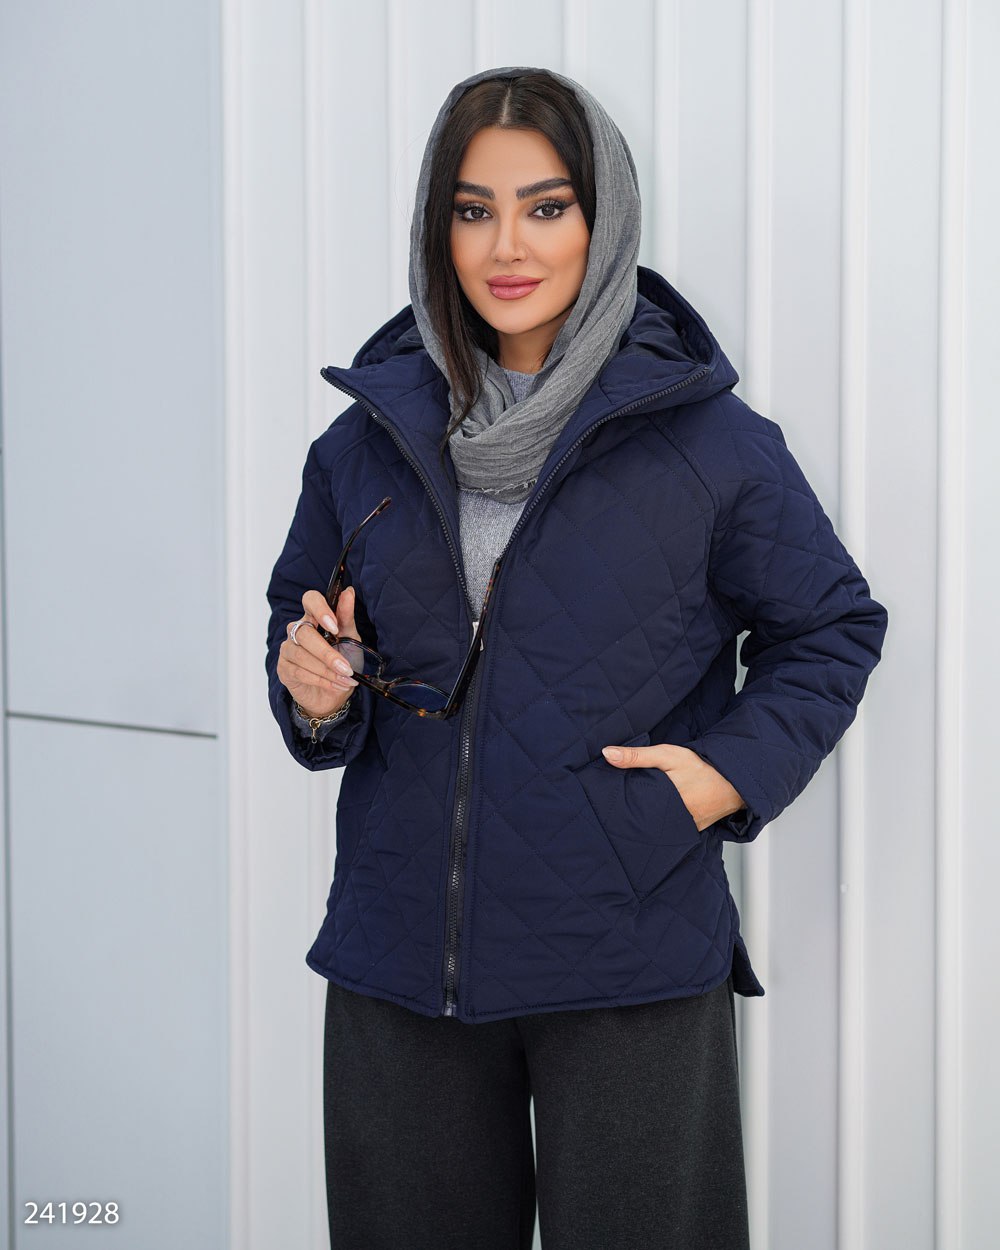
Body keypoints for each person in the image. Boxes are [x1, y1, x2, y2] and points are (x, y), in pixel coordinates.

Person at [265, 65, 888, 1250]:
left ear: (602, 221)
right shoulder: (362, 443)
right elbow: (298, 627)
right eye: (473, 209)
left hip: (627, 951)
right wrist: (313, 690)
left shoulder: (712, 443)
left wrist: (720, 776)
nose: (507, 245)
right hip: (399, 959)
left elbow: (831, 626)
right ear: (437, 228)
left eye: (545, 206)